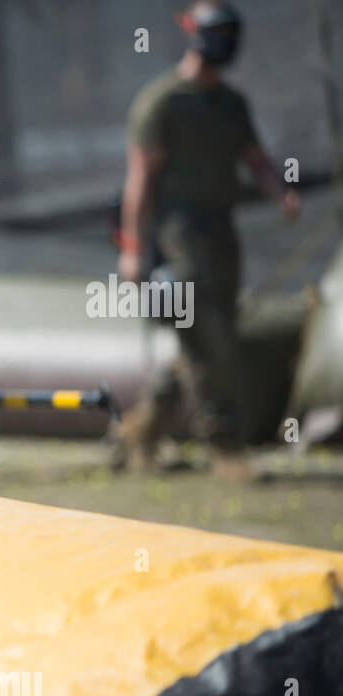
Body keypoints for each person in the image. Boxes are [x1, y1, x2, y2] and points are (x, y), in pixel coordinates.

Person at [113, 1, 299, 473]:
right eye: (215, 32)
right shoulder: (161, 102)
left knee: (206, 341)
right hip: (179, 239)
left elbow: (255, 157)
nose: (224, 42)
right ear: (191, 32)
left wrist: (281, 193)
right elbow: (140, 182)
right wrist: (133, 251)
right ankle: (224, 444)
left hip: (222, 234)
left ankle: (140, 429)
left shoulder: (231, 103)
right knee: (209, 336)